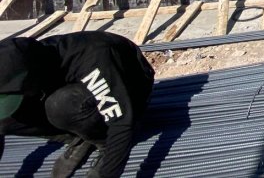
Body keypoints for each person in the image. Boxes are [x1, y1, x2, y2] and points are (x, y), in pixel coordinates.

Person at [0, 31, 155, 178]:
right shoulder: (23, 61)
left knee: (61, 104)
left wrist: (104, 174)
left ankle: (104, 141)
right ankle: (82, 136)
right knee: (4, 120)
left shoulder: (92, 58)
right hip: (72, 90)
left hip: (130, 89)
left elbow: (122, 124)